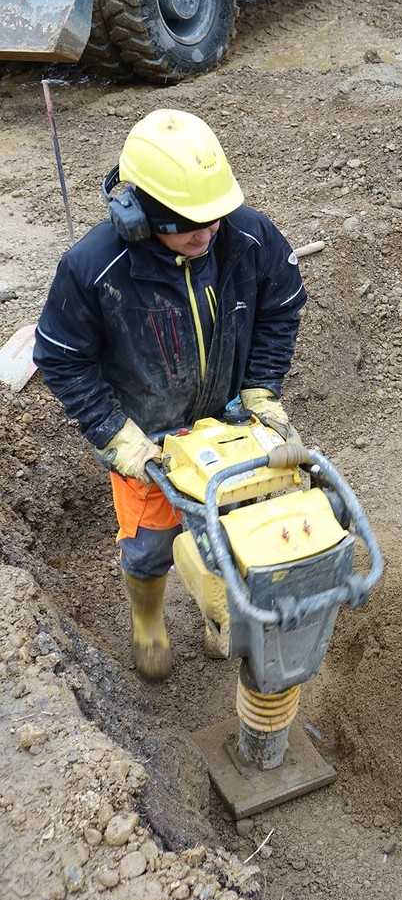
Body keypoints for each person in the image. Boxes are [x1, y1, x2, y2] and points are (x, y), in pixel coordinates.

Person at [34, 109, 306, 681]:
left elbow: (281, 309)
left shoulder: (249, 238)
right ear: (138, 215)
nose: (205, 235)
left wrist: (260, 390)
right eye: (188, 225)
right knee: (151, 544)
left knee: (240, 527)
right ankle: (148, 615)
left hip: (231, 424)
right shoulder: (95, 269)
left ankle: (220, 613)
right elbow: (61, 358)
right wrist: (116, 435)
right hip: (149, 439)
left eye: (214, 219)